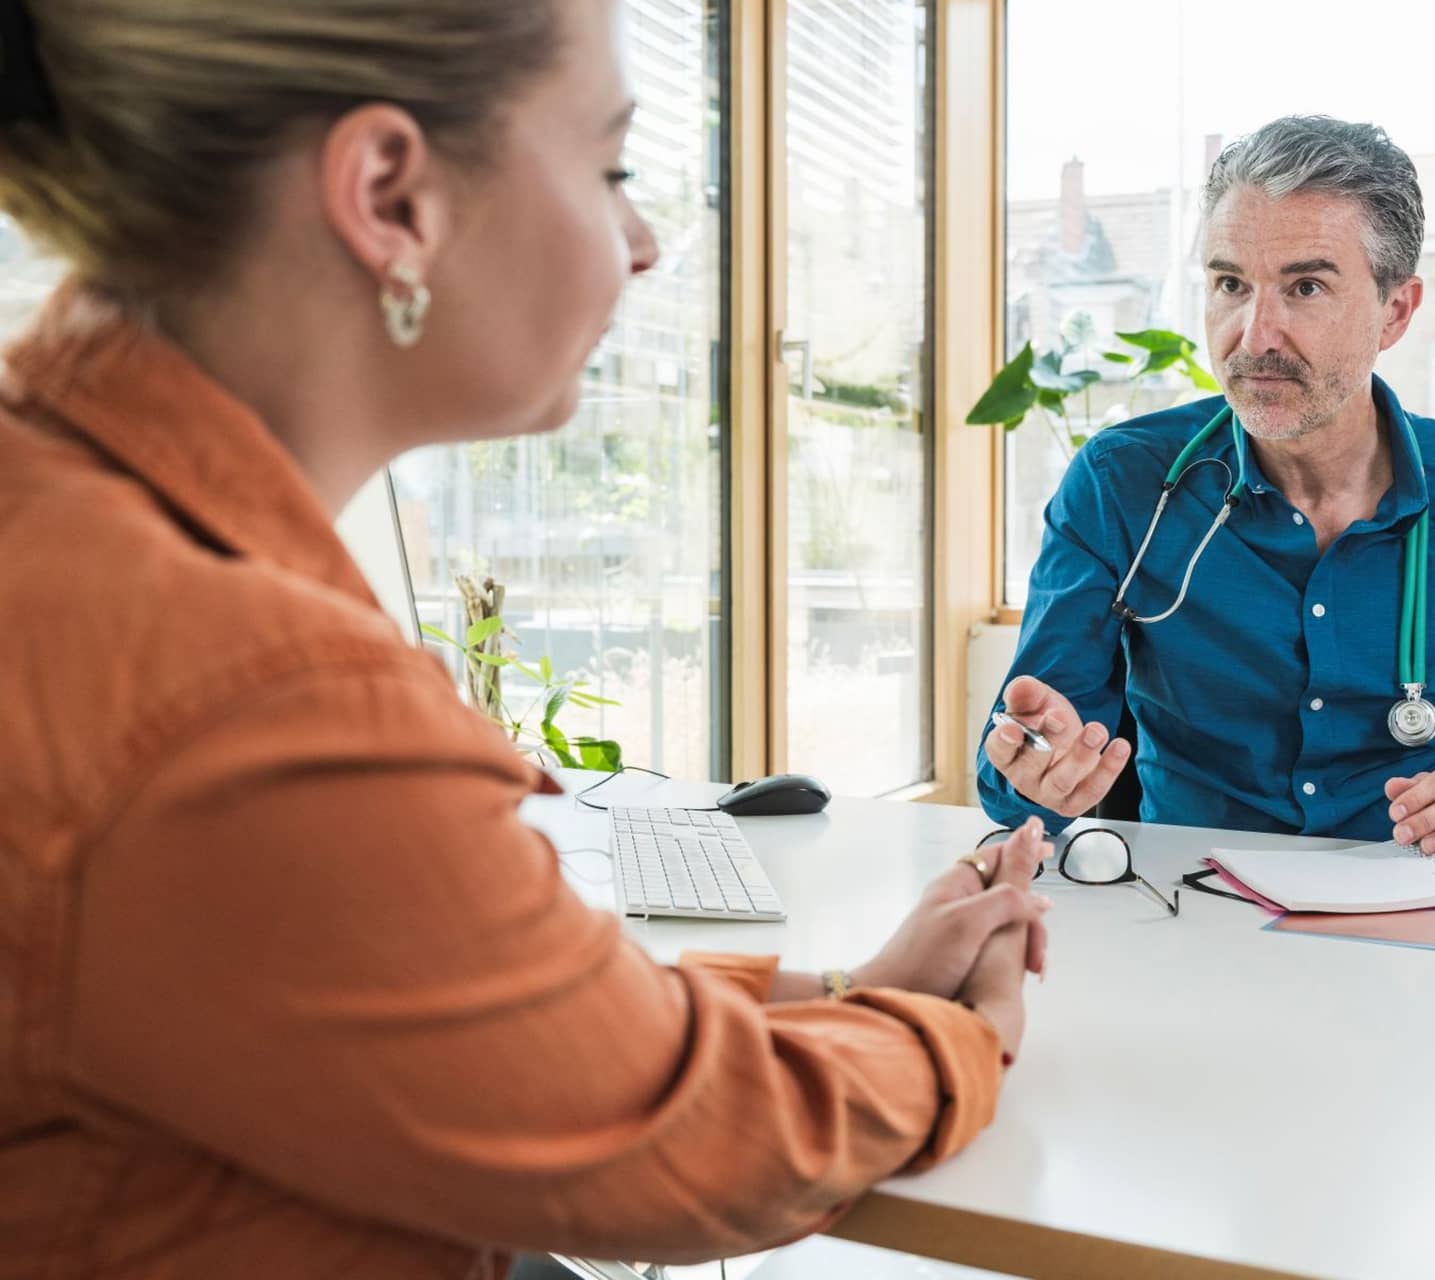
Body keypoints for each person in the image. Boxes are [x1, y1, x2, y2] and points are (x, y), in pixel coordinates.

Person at [0, 1, 1051, 1274]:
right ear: (391, 196)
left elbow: (445, 1015)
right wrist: (957, 1033)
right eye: (610, 168)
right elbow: (686, 1146)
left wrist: (833, 992)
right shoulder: (238, 687)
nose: (647, 242)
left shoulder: (70, 520)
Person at [980, 115, 1435, 864]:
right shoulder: (1122, 485)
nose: (1255, 336)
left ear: (1396, 311)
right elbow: (1022, 757)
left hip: (1423, 922)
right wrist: (1037, 766)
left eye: (1306, 287)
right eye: (1230, 284)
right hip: (1190, 916)